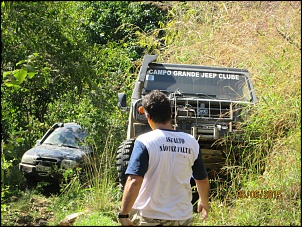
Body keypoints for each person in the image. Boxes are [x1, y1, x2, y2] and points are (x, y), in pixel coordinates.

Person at [118, 90, 210, 226]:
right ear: (171, 114)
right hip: (182, 218)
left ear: (148, 117)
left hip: (149, 218)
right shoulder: (191, 142)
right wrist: (204, 201)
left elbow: (134, 181)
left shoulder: (145, 141)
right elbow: (201, 179)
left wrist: (124, 214)